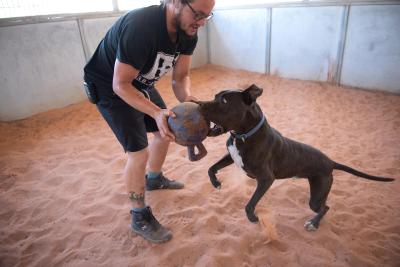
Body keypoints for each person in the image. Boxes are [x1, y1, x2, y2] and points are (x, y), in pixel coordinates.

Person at [83, 0, 215, 243]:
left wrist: (187, 99)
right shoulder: (141, 26)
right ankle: (139, 215)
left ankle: (154, 179)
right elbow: (120, 84)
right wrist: (156, 111)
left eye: (207, 16)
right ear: (176, 2)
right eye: (197, 14)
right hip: (110, 86)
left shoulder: (189, 31)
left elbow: (181, 76)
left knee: (166, 130)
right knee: (138, 152)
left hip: (139, 83)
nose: (201, 23)